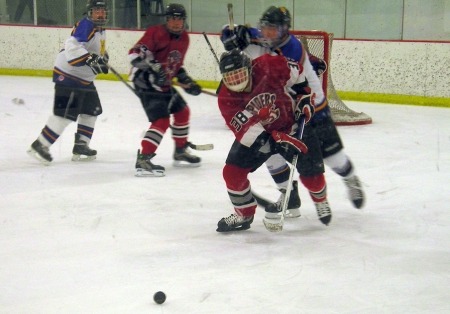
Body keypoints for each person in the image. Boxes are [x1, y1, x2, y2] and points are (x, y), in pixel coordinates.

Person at [220, 6, 365, 223]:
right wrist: (232, 37)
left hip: (313, 107)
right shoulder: (262, 37)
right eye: (265, 28)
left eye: (274, 29)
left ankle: (350, 178)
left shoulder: (292, 49)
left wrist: (244, 44)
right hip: (280, 109)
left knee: (332, 158)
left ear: (285, 30)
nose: (268, 33)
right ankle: (290, 196)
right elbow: (227, 31)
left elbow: (288, 72)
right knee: (269, 152)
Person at [216, 49, 326, 232]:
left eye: (239, 75)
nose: (236, 82)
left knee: (312, 175)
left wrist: (303, 96)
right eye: (230, 77)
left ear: (249, 69)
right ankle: (243, 213)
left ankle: (321, 201)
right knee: (232, 173)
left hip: (290, 125)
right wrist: (277, 138)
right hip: (262, 136)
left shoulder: (269, 65)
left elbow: (298, 73)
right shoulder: (225, 97)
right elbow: (249, 133)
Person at [27, 0, 109, 164]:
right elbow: (72, 46)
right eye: (96, 11)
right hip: (68, 77)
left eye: (102, 11)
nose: (100, 14)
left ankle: (81, 145)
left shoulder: (101, 30)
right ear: (90, 13)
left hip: (84, 80)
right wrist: (90, 60)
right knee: (64, 114)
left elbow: (96, 50)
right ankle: (40, 145)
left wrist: (103, 59)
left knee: (92, 110)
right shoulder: (86, 25)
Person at [128, 3, 203, 177]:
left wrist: (187, 81)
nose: (176, 23)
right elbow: (134, 55)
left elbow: (176, 66)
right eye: (172, 19)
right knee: (161, 120)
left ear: (184, 21)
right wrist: (154, 68)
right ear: (167, 20)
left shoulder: (184, 38)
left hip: (163, 83)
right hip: (145, 82)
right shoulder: (156, 32)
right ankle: (144, 159)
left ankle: (180, 150)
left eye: (179, 19)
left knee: (183, 111)